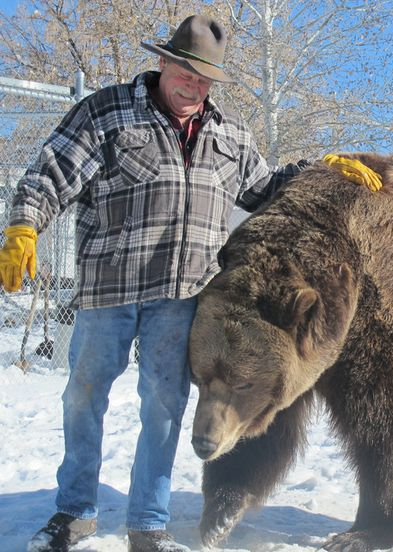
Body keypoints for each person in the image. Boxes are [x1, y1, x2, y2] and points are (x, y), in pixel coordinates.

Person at [0, 15, 309, 552]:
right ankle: (74, 511)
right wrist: (25, 224)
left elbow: (266, 188)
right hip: (109, 291)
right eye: (186, 73)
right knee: (85, 396)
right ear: (163, 63)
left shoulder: (230, 136)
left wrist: (322, 170)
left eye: (205, 79)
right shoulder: (107, 112)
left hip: (182, 296)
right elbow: (49, 175)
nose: (194, 86)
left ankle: (149, 524)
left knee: (165, 404)